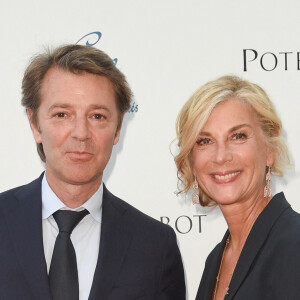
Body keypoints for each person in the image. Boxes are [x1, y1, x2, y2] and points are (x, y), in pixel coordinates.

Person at [0, 44, 186, 300]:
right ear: (35, 124)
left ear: (118, 128)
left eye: (97, 116)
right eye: (62, 114)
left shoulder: (155, 246)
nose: (81, 133)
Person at [175, 75, 300, 300]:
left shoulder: (295, 244)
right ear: (192, 160)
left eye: (238, 136)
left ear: (269, 149)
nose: (221, 156)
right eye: (204, 141)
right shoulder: (216, 260)